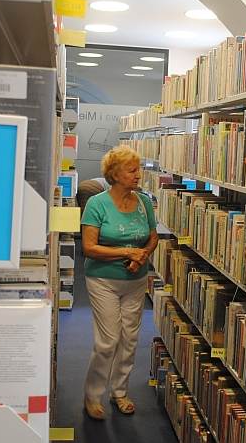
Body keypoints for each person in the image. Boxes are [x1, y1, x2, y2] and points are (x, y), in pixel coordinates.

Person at [80, 146, 158, 420]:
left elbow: (153, 236)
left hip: (136, 280)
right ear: (115, 173)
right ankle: (92, 394)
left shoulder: (144, 202)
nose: (138, 175)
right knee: (108, 340)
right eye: (132, 170)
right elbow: (89, 248)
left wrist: (143, 255)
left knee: (130, 339)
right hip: (103, 279)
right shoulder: (97, 203)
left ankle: (119, 391)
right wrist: (127, 252)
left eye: (139, 169)